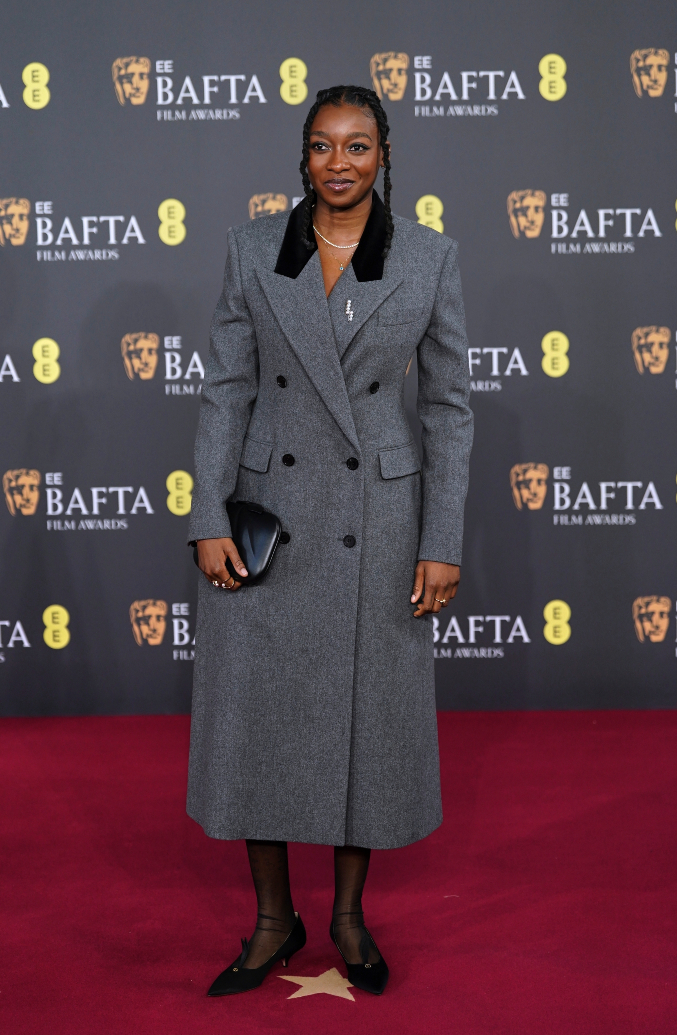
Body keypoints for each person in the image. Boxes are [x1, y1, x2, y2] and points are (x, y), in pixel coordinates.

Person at [187, 84, 473, 997]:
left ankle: (348, 916)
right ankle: (275, 919)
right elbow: (226, 389)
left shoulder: (428, 257)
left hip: (379, 524)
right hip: (268, 520)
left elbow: (448, 408)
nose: (338, 163)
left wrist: (442, 536)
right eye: (322, 145)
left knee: (367, 724)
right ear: (302, 155)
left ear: (384, 154)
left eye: (357, 145)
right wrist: (206, 516)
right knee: (257, 720)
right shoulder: (252, 249)